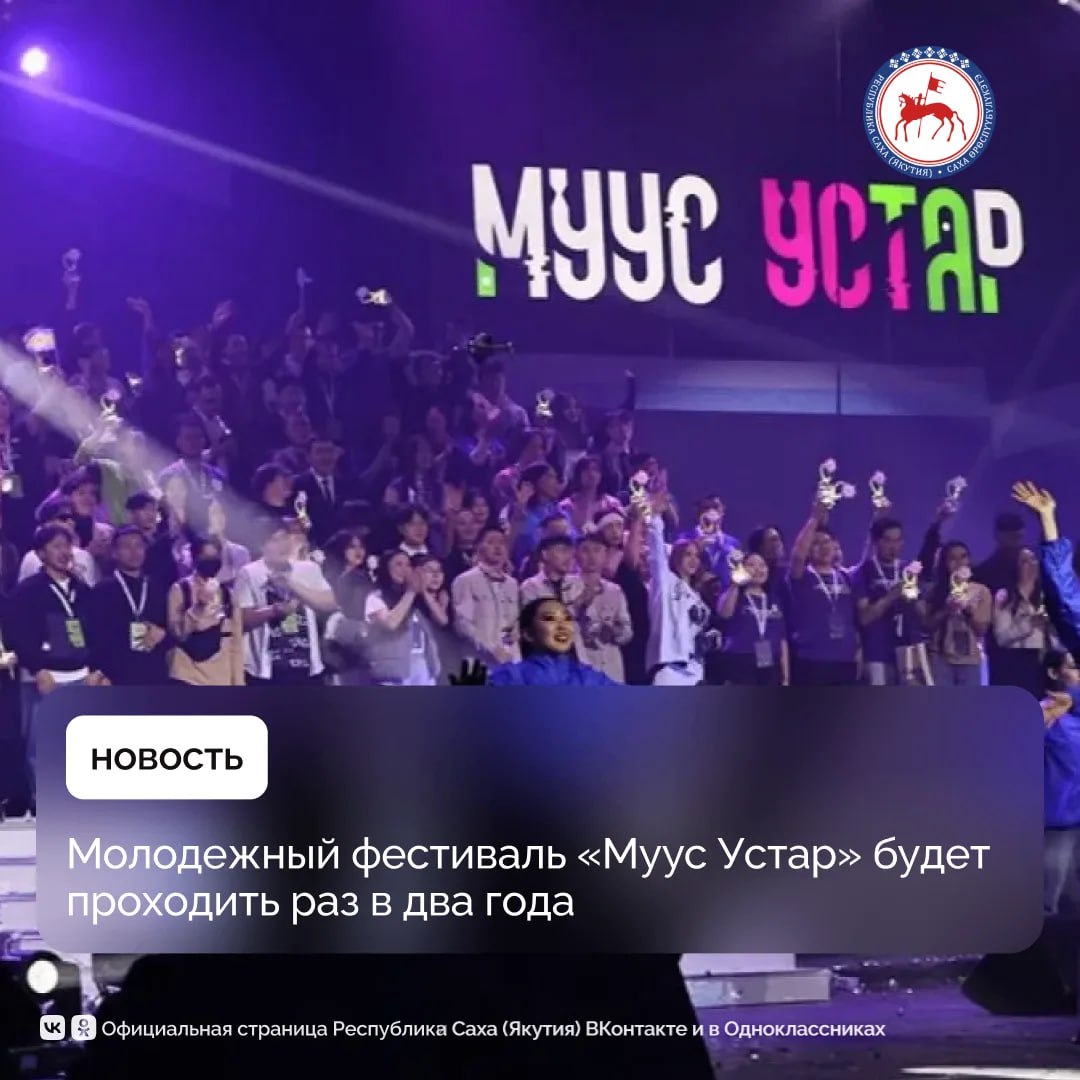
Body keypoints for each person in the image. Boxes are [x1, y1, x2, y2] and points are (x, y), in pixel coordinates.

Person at [8, 523, 108, 806]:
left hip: (83, 676)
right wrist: (38, 668)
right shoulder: (27, 592)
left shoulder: (83, 589)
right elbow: (18, 634)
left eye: (67, 546)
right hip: (47, 679)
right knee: (42, 746)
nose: (65, 553)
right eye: (56, 547)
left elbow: (98, 631)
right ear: (41, 554)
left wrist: (97, 668)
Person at [235, 522, 337, 686]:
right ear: (262, 545)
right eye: (275, 540)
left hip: (308, 668)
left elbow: (330, 603)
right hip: (266, 671)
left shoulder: (308, 569)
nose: (283, 545)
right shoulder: (250, 572)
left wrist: (292, 585)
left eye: (285, 538)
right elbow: (240, 619)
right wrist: (274, 611)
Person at [786, 501, 859, 686]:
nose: (823, 547)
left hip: (844, 660)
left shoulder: (845, 577)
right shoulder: (802, 576)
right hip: (811, 660)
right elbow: (797, 556)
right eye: (815, 543)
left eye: (826, 542)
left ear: (835, 545)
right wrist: (814, 518)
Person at [87, 526, 170, 685]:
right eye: (127, 546)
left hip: (154, 674)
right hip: (116, 676)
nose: (134, 552)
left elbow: (171, 631)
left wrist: (163, 635)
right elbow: (94, 636)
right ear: (115, 553)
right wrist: (100, 670)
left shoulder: (157, 588)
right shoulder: (102, 590)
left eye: (139, 546)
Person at [644, 491, 709, 686]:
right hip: (669, 670)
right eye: (688, 554)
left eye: (696, 556)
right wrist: (656, 517)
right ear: (676, 556)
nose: (693, 560)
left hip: (695, 671)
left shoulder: (697, 595)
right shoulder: (666, 582)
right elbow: (656, 551)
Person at [166, 535, 244, 686]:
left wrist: (238, 682)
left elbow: (235, 643)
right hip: (187, 675)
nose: (212, 562)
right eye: (206, 557)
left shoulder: (228, 595)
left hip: (221, 678)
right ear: (195, 558)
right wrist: (199, 606)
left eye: (215, 557)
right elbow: (177, 633)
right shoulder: (180, 589)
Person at [488, 598, 615, 685]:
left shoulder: (589, 678)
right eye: (550, 618)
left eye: (567, 618)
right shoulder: (509, 678)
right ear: (528, 634)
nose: (562, 626)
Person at [364, 550, 441, 686]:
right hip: (393, 671)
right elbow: (391, 623)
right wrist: (411, 591)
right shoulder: (375, 597)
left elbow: (442, 620)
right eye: (398, 564)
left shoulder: (415, 600)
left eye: (408, 565)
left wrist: (421, 589)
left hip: (421, 666)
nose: (404, 569)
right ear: (386, 568)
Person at [924, 541, 991, 686]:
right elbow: (928, 626)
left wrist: (967, 609)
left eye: (963, 557)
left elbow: (981, 629)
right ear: (944, 563)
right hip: (940, 658)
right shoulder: (935, 591)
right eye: (952, 558)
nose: (959, 562)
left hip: (970, 659)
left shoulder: (981, 591)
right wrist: (946, 610)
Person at [716, 551, 789, 685]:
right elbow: (724, 614)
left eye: (762, 565)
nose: (758, 569)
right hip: (740, 660)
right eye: (751, 565)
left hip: (770, 662)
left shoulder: (774, 600)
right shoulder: (734, 595)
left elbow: (782, 639)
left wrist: (785, 677)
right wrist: (735, 584)